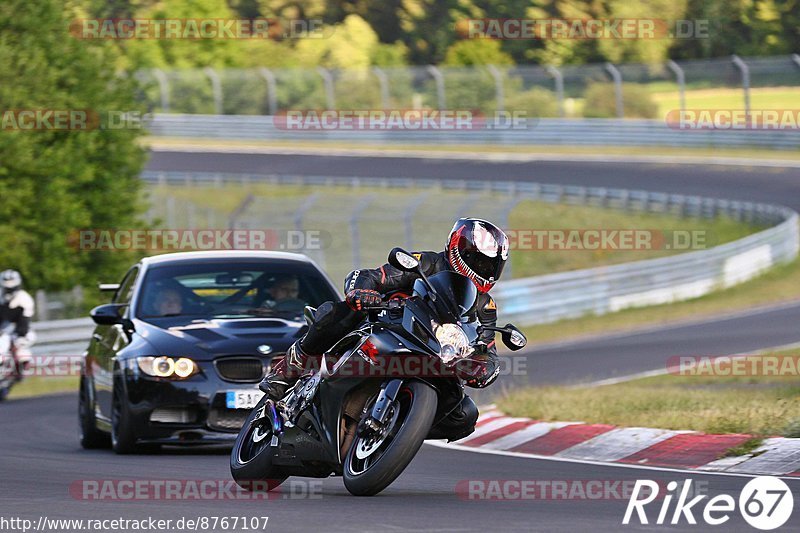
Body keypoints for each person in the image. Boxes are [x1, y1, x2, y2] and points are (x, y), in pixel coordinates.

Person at [259, 218, 509, 442]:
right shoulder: (425, 263)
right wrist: (362, 292)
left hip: (435, 356)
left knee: (465, 415)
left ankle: (399, 430)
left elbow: (487, 349)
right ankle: (288, 370)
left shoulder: (485, 306)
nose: (484, 270)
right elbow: (370, 275)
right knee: (339, 312)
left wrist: (485, 367)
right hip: (386, 322)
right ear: (458, 249)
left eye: (491, 266)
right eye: (478, 261)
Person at [0, 270, 35, 375]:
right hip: (3, 330)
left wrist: (19, 337)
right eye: (7, 289)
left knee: (24, 347)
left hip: (21, 331)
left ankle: (20, 370)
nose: (9, 291)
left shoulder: (25, 299)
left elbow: (24, 322)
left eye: (12, 288)